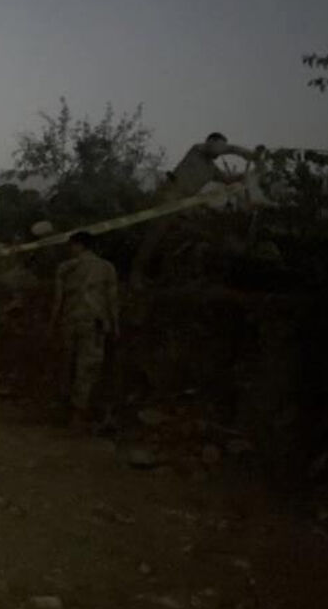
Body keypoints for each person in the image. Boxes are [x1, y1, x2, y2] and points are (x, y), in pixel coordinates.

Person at [131, 133, 256, 288]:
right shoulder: (197, 150)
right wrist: (243, 152)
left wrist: (244, 176)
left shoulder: (212, 168)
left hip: (186, 202)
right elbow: (223, 149)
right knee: (155, 234)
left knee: (185, 234)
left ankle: (165, 274)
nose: (220, 150)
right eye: (220, 145)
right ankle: (135, 274)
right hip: (171, 195)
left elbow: (228, 180)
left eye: (223, 147)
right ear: (209, 142)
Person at [51, 231, 119, 431]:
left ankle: (66, 410)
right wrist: (115, 326)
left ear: (79, 245)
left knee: (67, 365)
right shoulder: (106, 268)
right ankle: (78, 414)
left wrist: (52, 323)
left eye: (71, 246)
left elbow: (58, 301)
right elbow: (112, 300)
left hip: (70, 322)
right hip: (94, 323)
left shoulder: (65, 268)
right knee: (87, 368)